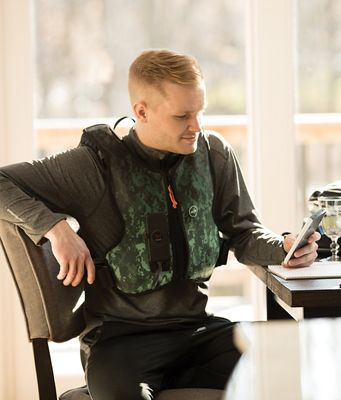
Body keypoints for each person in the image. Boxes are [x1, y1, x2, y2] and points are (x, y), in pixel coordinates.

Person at [0, 49, 319, 400]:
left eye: (200, 112)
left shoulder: (213, 154)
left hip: (199, 331)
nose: (196, 126)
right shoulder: (94, 166)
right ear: (141, 112)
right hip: (122, 341)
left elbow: (243, 232)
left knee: (299, 367)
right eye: (183, 116)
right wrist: (55, 227)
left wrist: (284, 246)